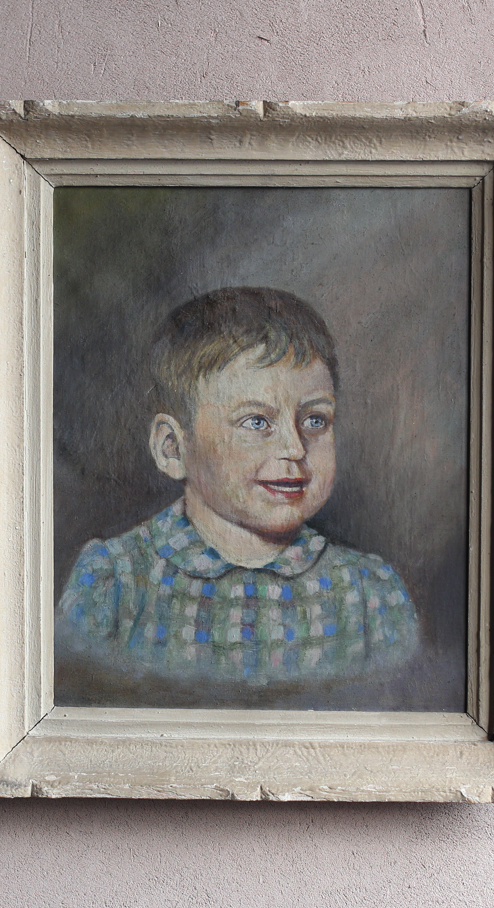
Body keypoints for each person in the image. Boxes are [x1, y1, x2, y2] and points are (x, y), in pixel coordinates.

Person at [56, 286, 419, 686]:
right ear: (173, 448)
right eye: (257, 422)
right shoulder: (113, 582)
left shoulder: (371, 595)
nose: (295, 448)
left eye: (315, 420)